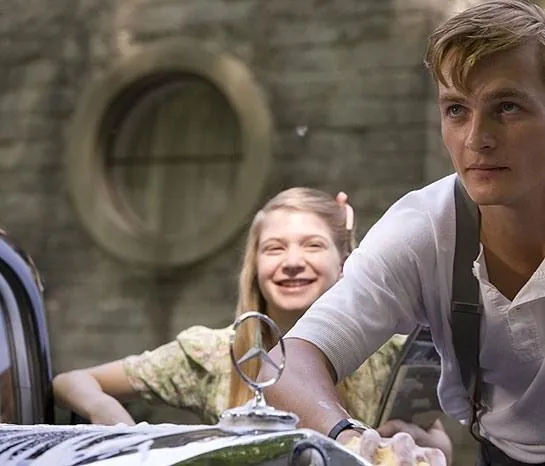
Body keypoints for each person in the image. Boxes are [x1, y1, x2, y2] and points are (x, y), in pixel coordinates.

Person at [260, 1, 545, 465]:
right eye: (457, 109)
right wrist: (352, 440)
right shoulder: (426, 228)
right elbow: (289, 363)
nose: (477, 138)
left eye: (507, 107)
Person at [53, 187, 449, 458]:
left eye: (312, 245)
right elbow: (71, 381)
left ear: (345, 260)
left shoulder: (387, 352)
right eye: (274, 248)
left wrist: (416, 443)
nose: (292, 262)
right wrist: (110, 417)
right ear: (255, 266)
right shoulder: (213, 354)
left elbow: (438, 440)